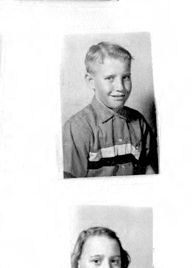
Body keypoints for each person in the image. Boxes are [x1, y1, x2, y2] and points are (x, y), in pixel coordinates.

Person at [62, 42, 157, 178]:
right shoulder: (78, 128)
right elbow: (71, 184)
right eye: (110, 78)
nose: (120, 87)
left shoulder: (139, 122)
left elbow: (148, 170)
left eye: (126, 77)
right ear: (91, 81)